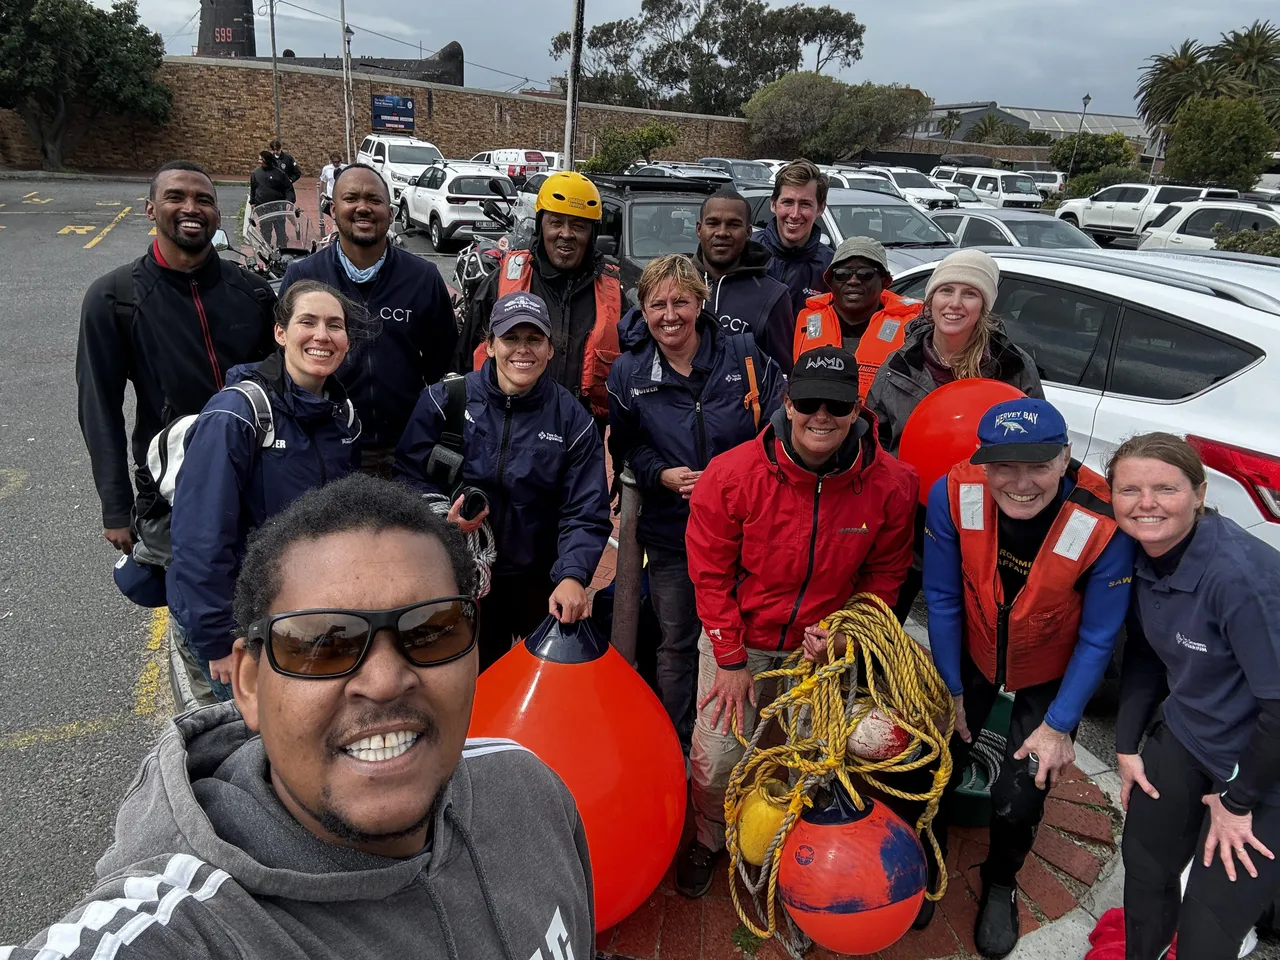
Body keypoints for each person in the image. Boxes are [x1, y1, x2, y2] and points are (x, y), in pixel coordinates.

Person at [1, 475, 595, 959]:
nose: (385, 680)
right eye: (324, 646)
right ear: (250, 686)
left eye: (432, 631)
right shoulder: (191, 930)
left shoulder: (530, 792)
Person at [678, 345, 919, 897]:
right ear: (786, 404)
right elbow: (710, 574)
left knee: (814, 757)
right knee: (717, 757)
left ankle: (794, 848)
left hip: (822, 646)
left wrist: (845, 632)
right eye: (808, 402)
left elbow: (886, 575)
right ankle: (711, 835)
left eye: (836, 406)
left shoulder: (892, 484)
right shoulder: (732, 475)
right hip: (742, 637)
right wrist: (731, 659)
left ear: (857, 412)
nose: (821, 417)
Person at [921, 398, 1134, 958]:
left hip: (1051, 665)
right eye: (1003, 467)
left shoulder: (1102, 523)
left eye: (1037, 465)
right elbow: (941, 596)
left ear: (1066, 458)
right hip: (972, 649)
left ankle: (1000, 882)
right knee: (935, 759)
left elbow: (1098, 639)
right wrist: (952, 688)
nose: (1019, 484)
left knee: (1020, 795)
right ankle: (930, 854)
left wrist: (1060, 725)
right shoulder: (952, 494)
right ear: (983, 464)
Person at [1108, 433, 1280, 960]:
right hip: (1191, 734)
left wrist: (1236, 804)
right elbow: (1143, 652)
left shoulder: (1239, 577)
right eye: (1129, 489)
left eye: (1166, 488)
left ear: (1200, 494)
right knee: (1143, 872)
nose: (1147, 503)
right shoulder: (1138, 554)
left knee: (1208, 932)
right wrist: (1128, 743)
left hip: (1264, 771)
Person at [607, 254, 784, 748]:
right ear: (641, 309)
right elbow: (626, 446)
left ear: (700, 302)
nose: (669, 315)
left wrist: (731, 477)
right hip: (673, 532)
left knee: (748, 642)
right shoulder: (628, 372)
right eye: (656, 304)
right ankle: (676, 741)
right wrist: (659, 473)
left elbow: (778, 429)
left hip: (749, 533)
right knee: (676, 643)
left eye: (681, 301)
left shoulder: (745, 357)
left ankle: (748, 741)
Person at [166, 280, 370, 703]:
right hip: (238, 626)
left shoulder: (342, 416)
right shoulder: (237, 414)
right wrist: (218, 641)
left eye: (335, 326)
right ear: (280, 333)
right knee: (244, 750)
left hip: (298, 615)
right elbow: (200, 539)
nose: (322, 336)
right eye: (307, 322)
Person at [397, 292, 612, 671]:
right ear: (491, 345)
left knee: (543, 688)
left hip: (541, 580)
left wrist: (574, 575)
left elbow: (585, 509)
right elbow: (407, 477)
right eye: (511, 338)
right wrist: (438, 517)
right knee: (464, 681)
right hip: (461, 576)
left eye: (534, 339)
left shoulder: (572, 421)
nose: (522, 350)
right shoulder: (443, 401)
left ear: (550, 350)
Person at [77, 159, 276, 558]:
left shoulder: (253, 292)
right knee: (193, 604)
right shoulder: (115, 298)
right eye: (175, 197)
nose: (191, 208)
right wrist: (116, 506)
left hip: (259, 474)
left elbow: (283, 387)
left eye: (204, 199)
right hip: (173, 484)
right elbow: (99, 407)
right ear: (150, 208)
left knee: (267, 594)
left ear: (217, 214)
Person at [865, 248, 1043, 622]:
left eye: (970, 293)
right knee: (885, 618)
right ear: (930, 300)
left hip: (987, 517)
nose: (955, 304)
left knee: (969, 621)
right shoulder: (901, 364)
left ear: (985, 304)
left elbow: (1038, 439)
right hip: (911, 515)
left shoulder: (1011, 366)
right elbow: (873, 436)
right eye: (946, 291)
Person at [280, 163, 457, 476]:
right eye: (351, 199)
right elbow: (285, 364)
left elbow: (443, 367)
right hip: (326, 443)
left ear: (390, 212)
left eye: (374, 200)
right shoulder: (303, 276)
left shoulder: (422, 277)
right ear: (333, 209)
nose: (363, 207)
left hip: (405, 447)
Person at [456, 171, 622, 421]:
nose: (566, 233)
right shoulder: (502, 282)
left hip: (582, 439)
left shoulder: (615, 295)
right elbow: (462, 361)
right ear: (540, 225)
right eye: (556, 222)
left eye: (578, 225)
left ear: (593, 234)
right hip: (505, 429)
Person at [791, 236, 923, 397]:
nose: (853, 281)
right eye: (842, 273)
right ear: (830, 281)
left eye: (865, 274)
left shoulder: (913, 327)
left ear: (884, 281)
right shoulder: (805, 318)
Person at [691, 188, 795, 371]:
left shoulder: (773, 296)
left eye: (733, 224)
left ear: (748, 232)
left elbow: (781, 375)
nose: (722, 232)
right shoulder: (675, 282)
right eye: (713, 223)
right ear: (699, 229)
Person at [752, 159, 834, 319]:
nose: (795, 214)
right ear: (773, 204)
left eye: (805, 204)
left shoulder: (831, 267)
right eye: (788, 202)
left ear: (821, 208)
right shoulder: (746, 252)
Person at [249, 150, 291, 248]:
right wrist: (252, 202)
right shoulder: (256, 173)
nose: (259, 161)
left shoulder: (280, 174)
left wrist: (289, 201)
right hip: (263, 208)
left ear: (267, 160)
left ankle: (282, 249)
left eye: (261, 159)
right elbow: (253, 188)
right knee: (265, 231)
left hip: (278, 208)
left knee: (280, 231)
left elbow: (288, 188)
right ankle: (266, 250)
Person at [269, 137, 302, 202]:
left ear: (280, 148)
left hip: (285, 189)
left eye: (277, 150)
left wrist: (290, 180)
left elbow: (297, 173)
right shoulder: (270, 159)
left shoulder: (288, 159)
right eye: (274, 150)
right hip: (274, 189)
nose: (275, 152)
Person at [319, 151, 344, 226]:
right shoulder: (326, 169)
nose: (336, 164)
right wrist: (322, 194)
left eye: (337, 162)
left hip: (342, 195)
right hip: (331, 196)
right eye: (334, 162)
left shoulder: (345, 168)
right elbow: (323, 182)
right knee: (335, 217)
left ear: (341, 161)